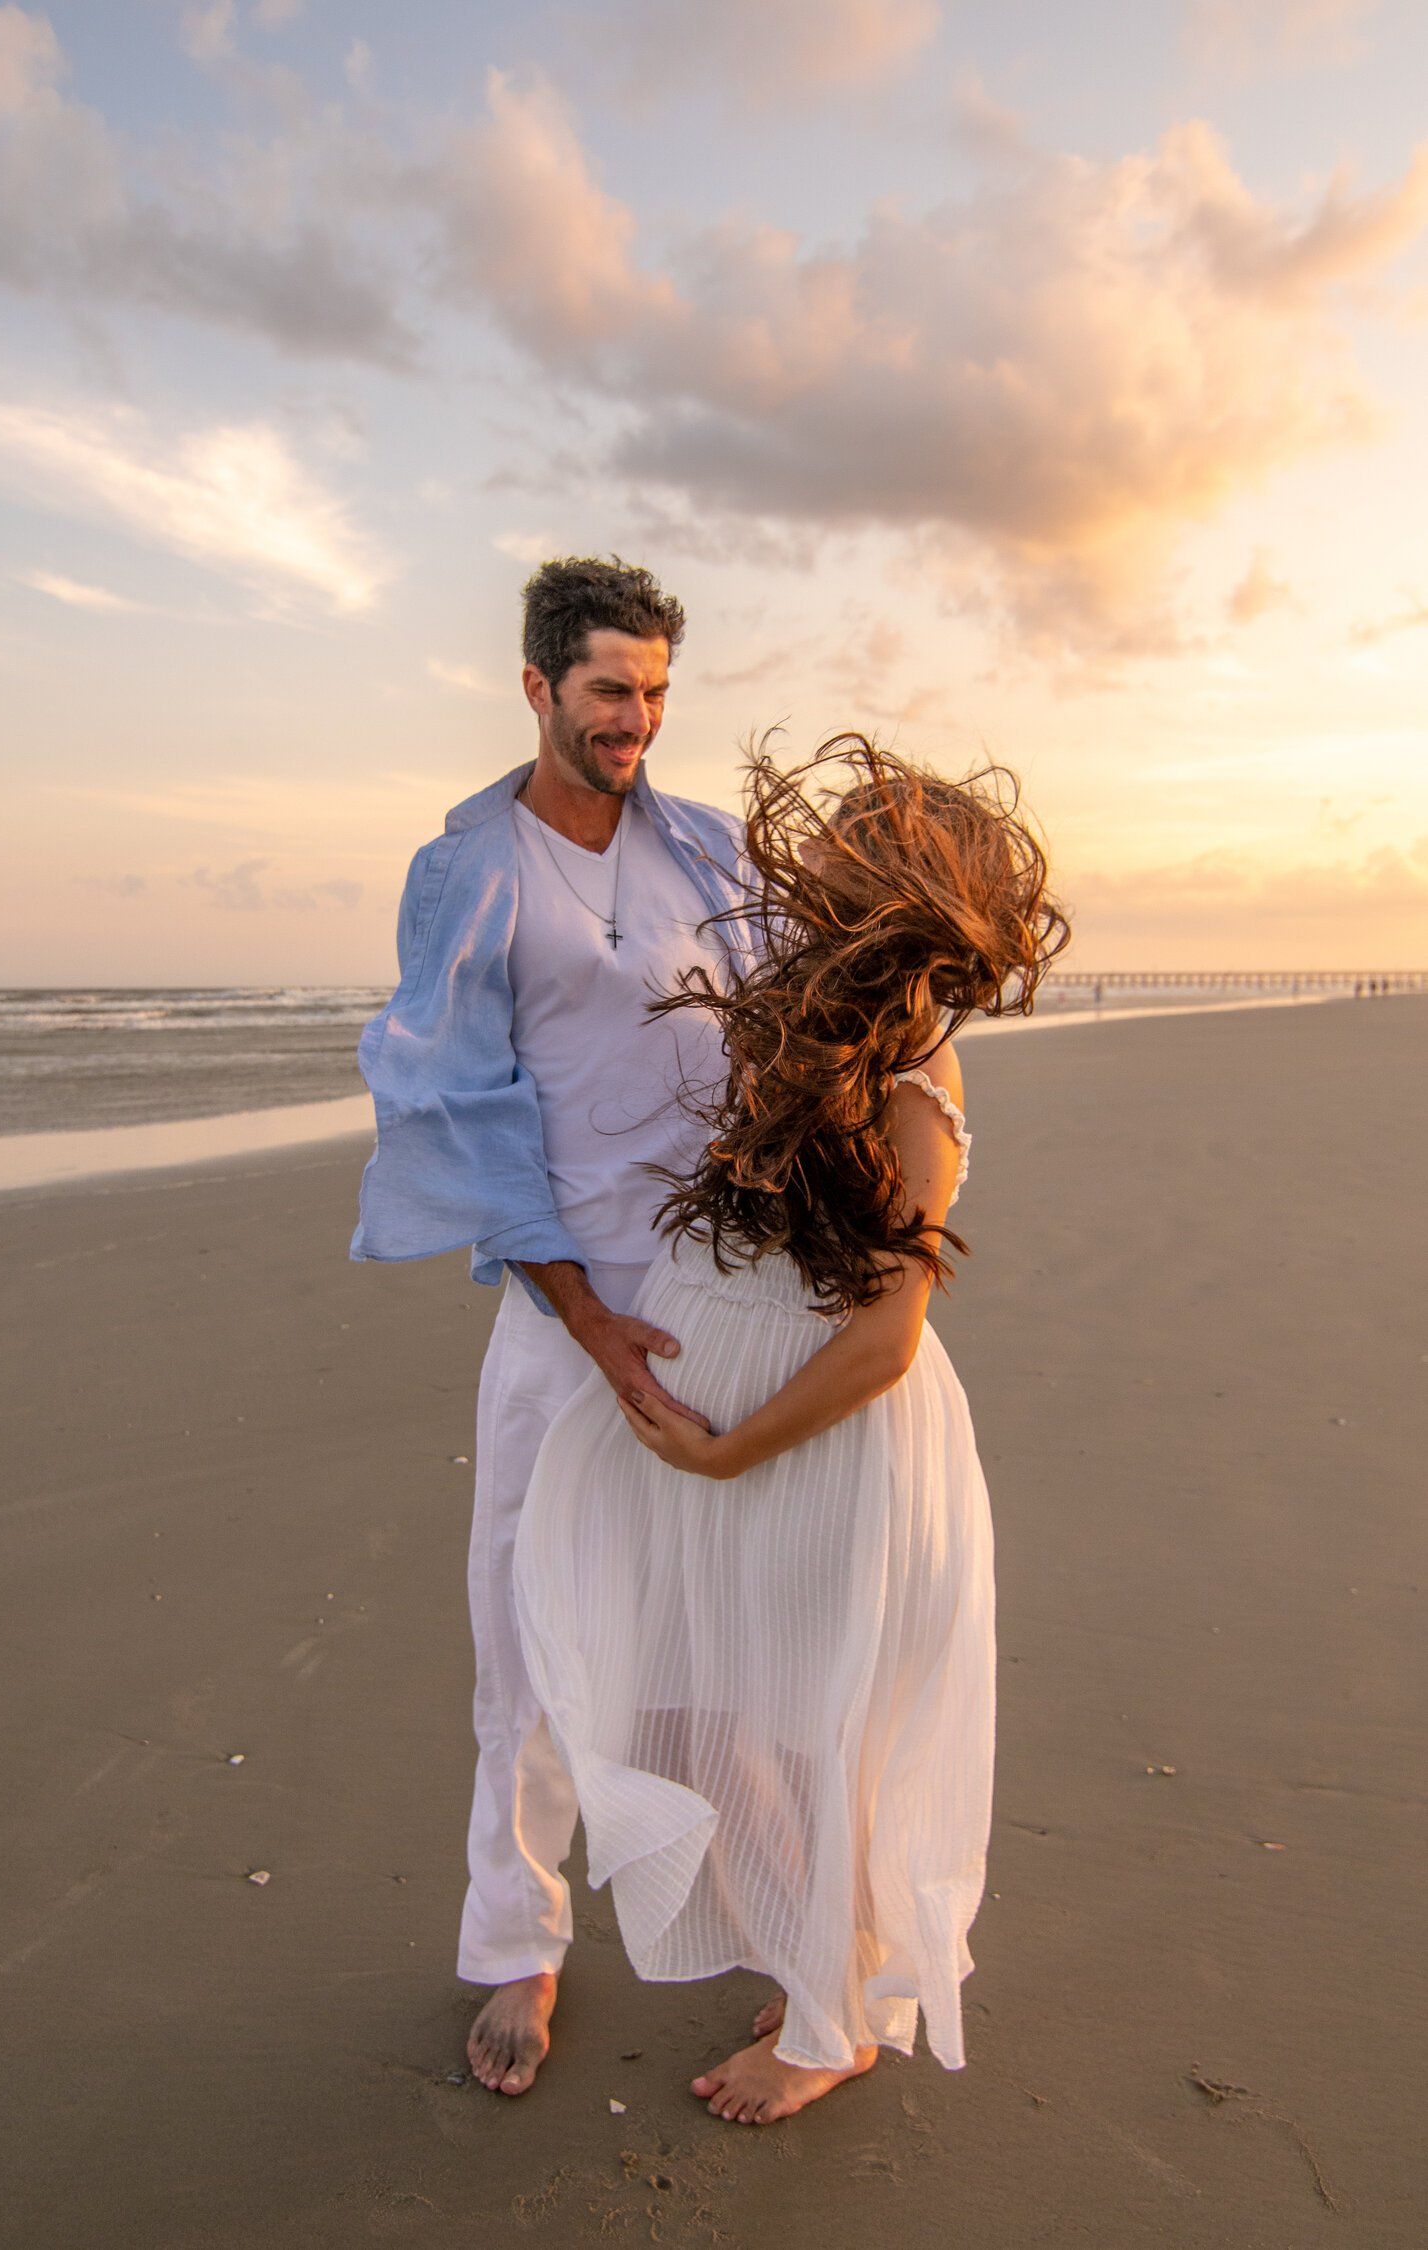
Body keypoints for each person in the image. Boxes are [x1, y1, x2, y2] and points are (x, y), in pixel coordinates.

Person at [512, 736, 1069, 2125]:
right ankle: (838, 1949)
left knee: (796, 1720)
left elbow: (888, 1335)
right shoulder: (802, 1020)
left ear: (903, 876)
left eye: (857, 828)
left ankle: (832, 2021)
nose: (817, 842)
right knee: (717, 1703)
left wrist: (729, 1447)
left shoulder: (913, 1061)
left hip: (809, 1444)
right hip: (740, 1432)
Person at [350, 557, 752, 2096]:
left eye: (654, 691)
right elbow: (455, 1110)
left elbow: (781, 1037)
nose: (637, 719)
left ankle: (753, 1913)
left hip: (725, 1301)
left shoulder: (708, 848)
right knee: (523, 1633)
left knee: (728, 1625)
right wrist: (586, 1320)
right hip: (563, 1314)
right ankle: (518, 1941)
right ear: (536, 687)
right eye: (607, 691)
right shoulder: (473, 869)